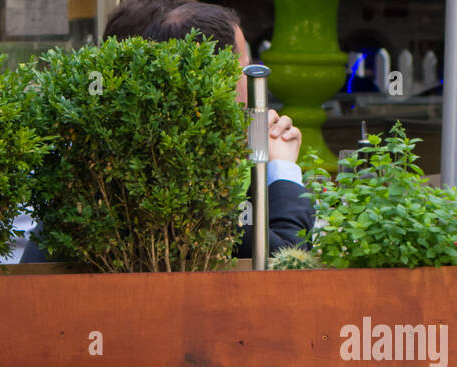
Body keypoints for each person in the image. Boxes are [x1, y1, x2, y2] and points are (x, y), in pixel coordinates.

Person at [20, 0, 313, 262]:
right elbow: (286, 260)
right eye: (246, 68)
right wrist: (281, 167)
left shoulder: (91, 176)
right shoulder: (185, 192)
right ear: (208, 76)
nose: (250, 85)